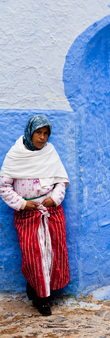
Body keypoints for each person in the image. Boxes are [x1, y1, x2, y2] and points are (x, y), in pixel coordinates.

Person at [0, 115, 70, 316]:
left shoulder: (50, 153)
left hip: (51, 212)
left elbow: (61, 181)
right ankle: (38, 291)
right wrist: (22, 204)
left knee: (51, 253)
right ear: (30, 132)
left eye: (46, 133)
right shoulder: (15, 155)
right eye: (38, 132)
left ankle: (44, 296)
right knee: (33, 256)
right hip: (27, 215)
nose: (42, 137)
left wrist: (54, 199)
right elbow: (4, 186)